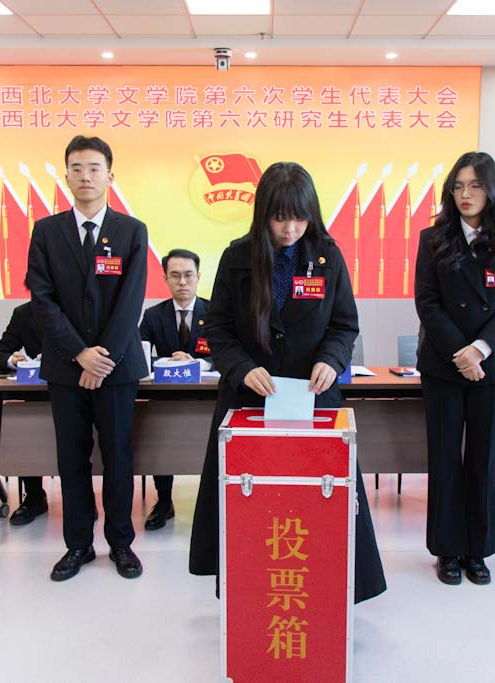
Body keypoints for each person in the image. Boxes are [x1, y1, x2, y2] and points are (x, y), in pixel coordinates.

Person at [188, 161, 386, 603]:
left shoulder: (328, 256)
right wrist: (242, 367)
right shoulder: (237, 257)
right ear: (263, 214)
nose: (291, 228)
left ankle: (326, 593)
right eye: (280, 218)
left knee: (320, 501)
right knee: (249, 504)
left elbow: (344, 325)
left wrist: (332, 359)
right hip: (249, 399)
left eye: (300, 217)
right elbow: (217, 328)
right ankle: (252, 593)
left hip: (312, 397)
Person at [26, 135, 148, 582]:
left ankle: (121, 544)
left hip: (116, 369)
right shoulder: (46, 231)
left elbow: (131, 300)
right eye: (76, 168)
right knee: (71, 459)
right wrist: (79, 354)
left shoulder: (132, 231)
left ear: (110, 176)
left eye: (94, 168)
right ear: (66, 176)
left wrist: (103, 358)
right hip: (66, 367)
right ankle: (77, 544)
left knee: (118, 457)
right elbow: (42, 300)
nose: (85, 176)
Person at [414, 151, 495, 586]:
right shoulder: (433, 238)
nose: (466, 194)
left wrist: (479, 349)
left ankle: (477, 550)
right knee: (445, 458)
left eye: (475, 185)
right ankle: (446, 550)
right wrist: (460, 352)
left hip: (491, 366)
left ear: (491, 189)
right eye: (458, 186)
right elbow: (427, 302)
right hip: (444, 365)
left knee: (484, 459)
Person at [138, 248, 210, 531]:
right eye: (175, 275)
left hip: (206, 398)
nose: (182, 282)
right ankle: (164, 501)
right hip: (165, 397)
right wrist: (167, 361)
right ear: (165, 279)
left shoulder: (215, 312)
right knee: (159, 439)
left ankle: (210, 502)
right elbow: (139, 354)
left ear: (198, 277)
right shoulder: (153, 315)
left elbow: (229, 352)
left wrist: (197, 363)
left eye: (188, 275)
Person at [0, 301, 49, 526]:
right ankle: (34, 496)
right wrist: (12, 361)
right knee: (24, 422)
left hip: (79, 391)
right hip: (39, 395)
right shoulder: (24, 313)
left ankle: (82, 498)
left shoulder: (80, 305)